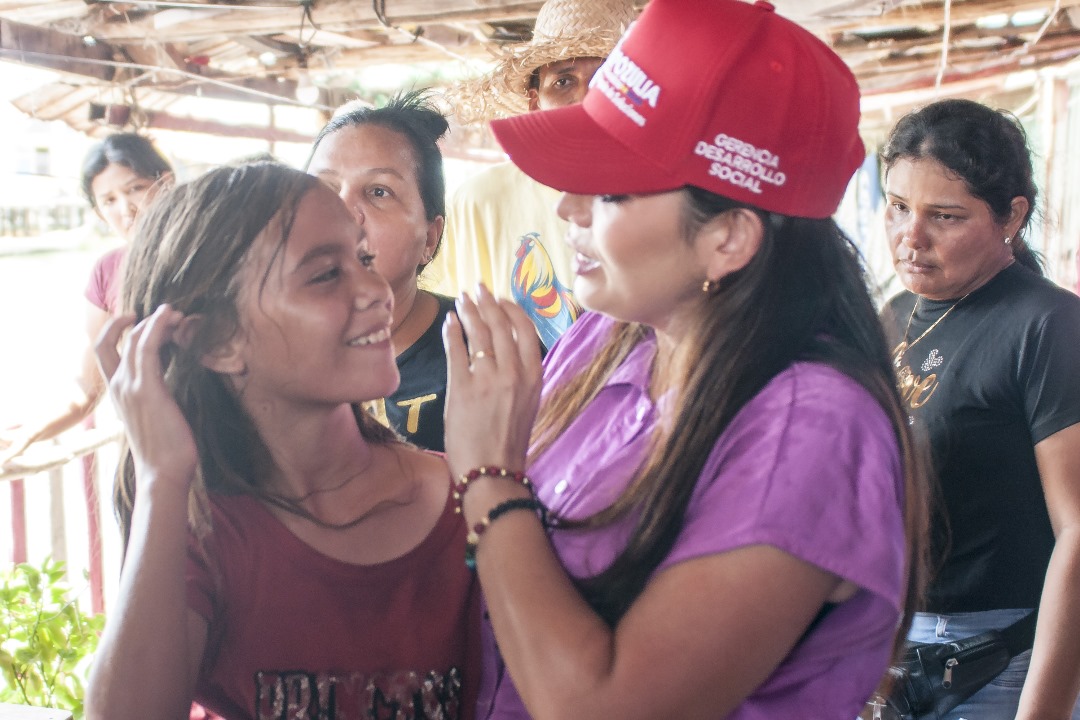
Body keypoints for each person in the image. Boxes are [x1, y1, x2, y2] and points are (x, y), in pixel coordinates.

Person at [440, 1, 928, 717]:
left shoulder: (812, 430)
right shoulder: (608, 336)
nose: (568, 207)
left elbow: (604, 707)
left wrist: (488, 474)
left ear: (728, 238)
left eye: (609, 188)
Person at [85, 161, 482, 720]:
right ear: (217, 343)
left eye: (363, 259)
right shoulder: (202, 527)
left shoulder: (468, 500)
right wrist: (160, 479)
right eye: (326, 275)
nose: (375, 291)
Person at [881, 98, 1080, 720]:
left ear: (1011, 216)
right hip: (892, 655)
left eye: (944, 216)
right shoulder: (893, 317)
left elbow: (1079, 530)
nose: (911, 237)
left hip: (1004, 661)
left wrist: (1042, 709)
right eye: (898, 206)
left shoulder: (1047, 326)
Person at [437, 0, 638, 349]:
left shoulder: (661, 196)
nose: (586, 99)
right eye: (563, 82)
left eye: (607, 78)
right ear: (535, 104)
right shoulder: (477, 203)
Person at [0, 132, 173, 467]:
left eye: (135, 188)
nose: (127, 210)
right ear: (98, 211)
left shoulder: (208, 252)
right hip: (150, 452)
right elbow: (87, 389)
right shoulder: (106, 271)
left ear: (166, 183)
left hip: (230, 441)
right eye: (109, 200)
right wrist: (28, 433)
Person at [305, 91, 453, 451]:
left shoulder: (488, 353)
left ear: (429, 239)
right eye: (324, 188)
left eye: (378, 192)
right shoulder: (269, 353)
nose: (342, 211)